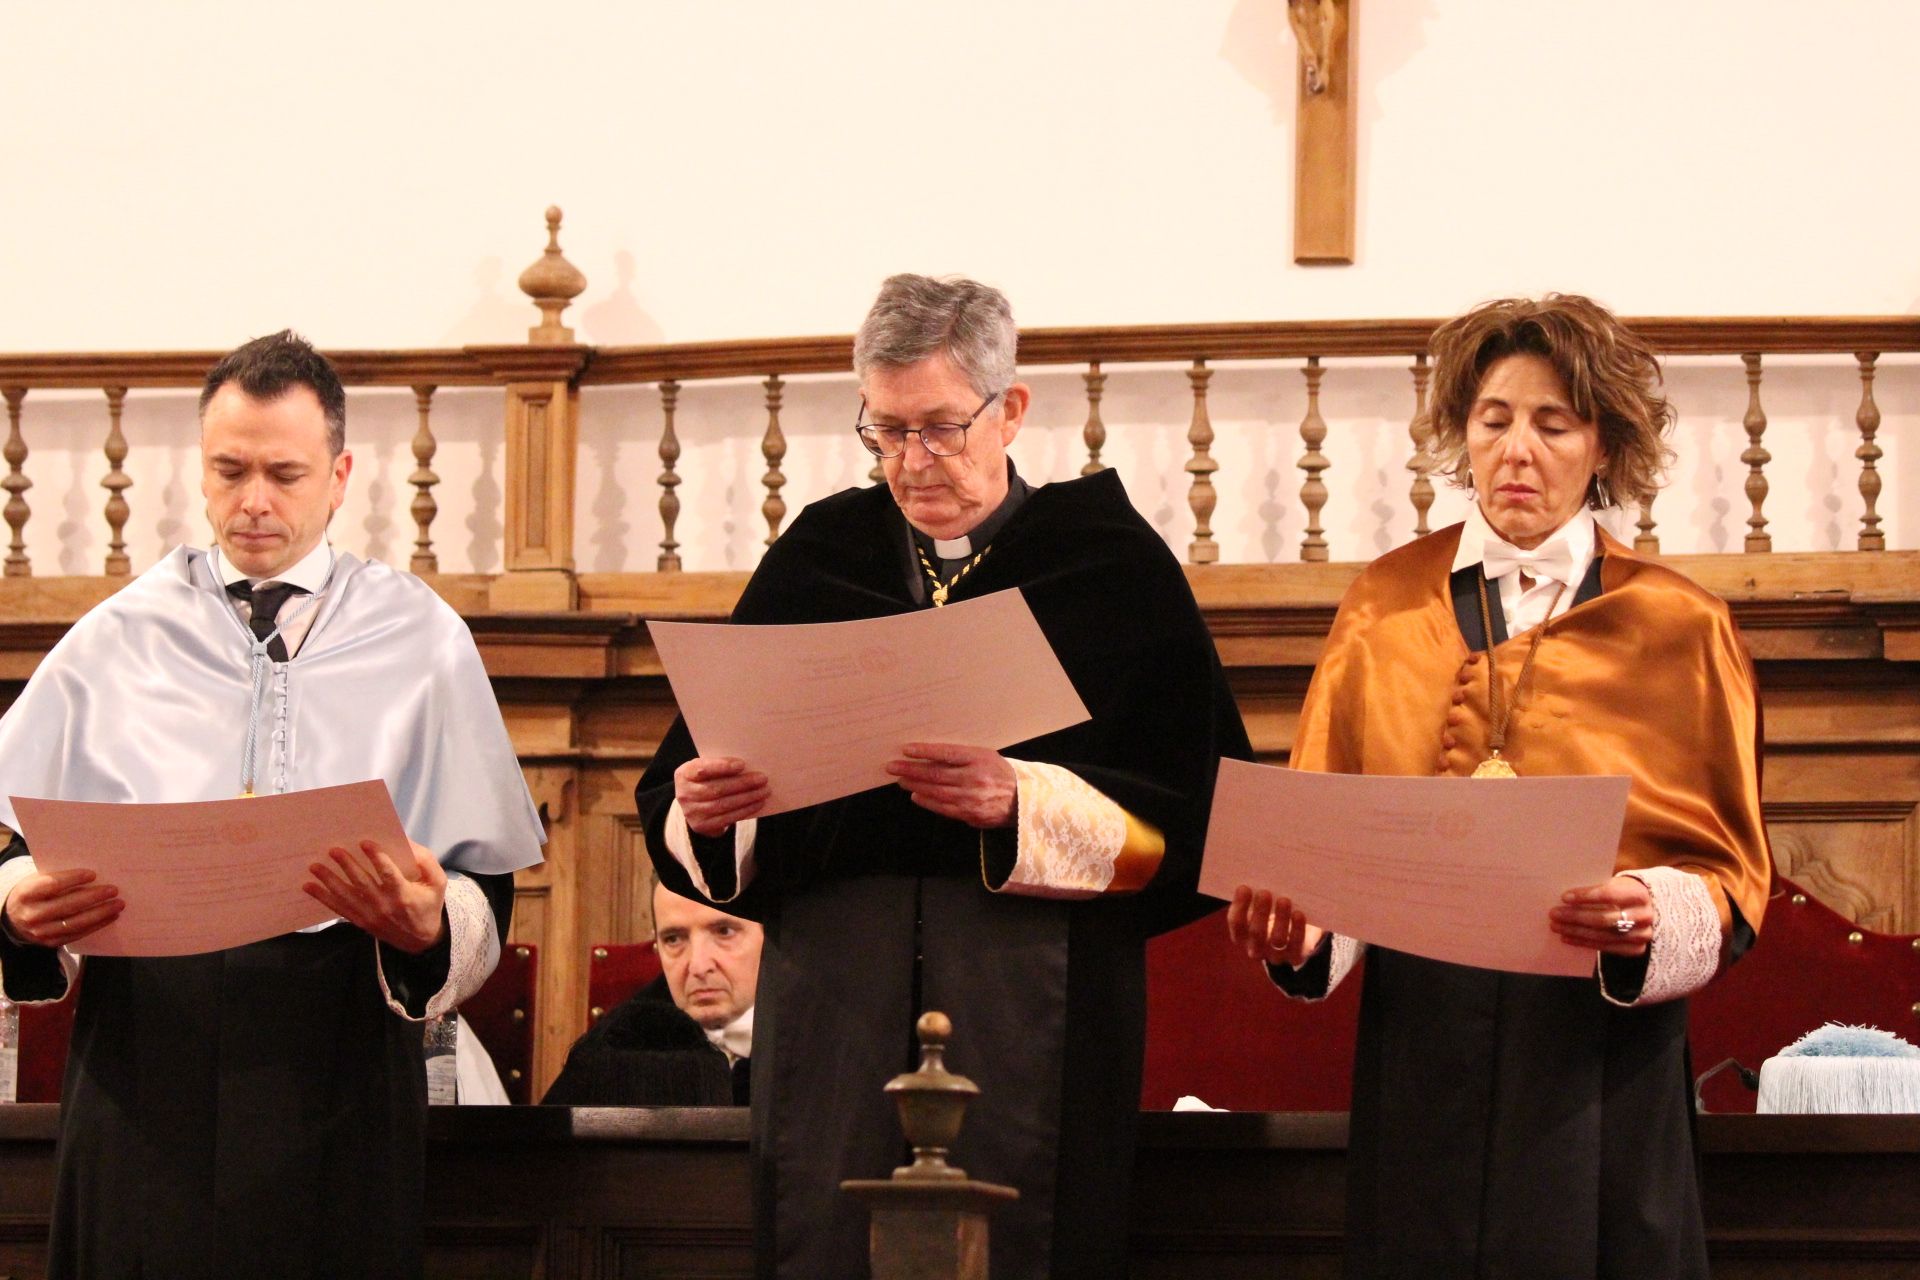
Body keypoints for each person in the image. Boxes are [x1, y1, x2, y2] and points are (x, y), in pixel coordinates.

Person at [637, 274, 1250, 1279]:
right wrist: (711, 812)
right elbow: (679, 788)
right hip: (837, 992)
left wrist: (1025, 802)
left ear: (1010, 408)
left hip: (1033, 987)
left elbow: (1203, 813)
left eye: (938, 427)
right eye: (883, 432)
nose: (911, 462)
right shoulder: (821, 553)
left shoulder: (1108, 564)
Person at [1228, 295, 1771, 1279]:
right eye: (1494, 419)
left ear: (1603, 443)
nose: (1518, 449)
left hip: (1599, 1061)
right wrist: (1301, 929)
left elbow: (1731, 872)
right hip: (1423, 1053)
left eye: (1553, 422)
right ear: (1462, 434)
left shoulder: (1681, 625)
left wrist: (1651, 909)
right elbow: (1324, 839)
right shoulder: (1385, 605)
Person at [0, 331, 544, 1280]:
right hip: (142, 1052)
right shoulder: (115, 638)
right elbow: (10, 841)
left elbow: (483, 882)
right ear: (199, 472)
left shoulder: (422, 641)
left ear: (338, 477)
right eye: (230, 470)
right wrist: (16, 903)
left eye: (284, 473)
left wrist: (428, 925)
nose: (254, 501)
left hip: (334, 1054)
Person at [542, 877, 760, 1106]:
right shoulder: (624, 1038)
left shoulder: (801, 1033)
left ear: (771, 935)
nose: (698, 966)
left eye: (724, 932)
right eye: (673, 939)